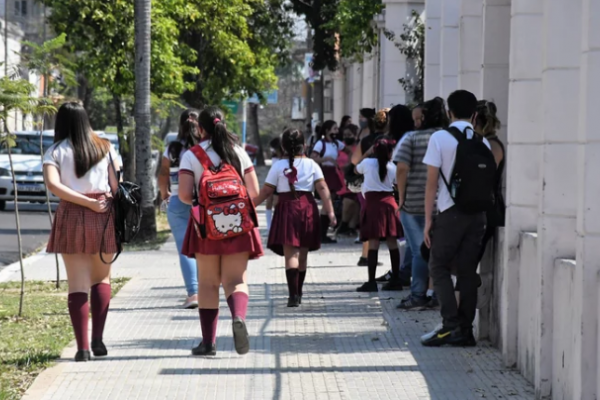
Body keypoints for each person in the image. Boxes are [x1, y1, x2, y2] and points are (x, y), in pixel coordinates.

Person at [178, 106, 263, 357]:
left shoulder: (191, 155)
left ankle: (208, 343)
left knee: (207, 283)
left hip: (206, 227)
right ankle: (238, 316)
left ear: (200, 129)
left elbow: (184, 195)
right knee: (236, 281)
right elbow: (254, 192)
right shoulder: (238, 152)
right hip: (238, 226)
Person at [43, 102, 120, 362]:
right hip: (104, 212)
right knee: (102, 279)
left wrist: (84, 202)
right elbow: (114, 186)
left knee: (77, 284)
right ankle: (98, 339)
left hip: (71, 215)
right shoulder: (106, 147)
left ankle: (83, 348)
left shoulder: (55, 151)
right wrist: (97, 200)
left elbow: (53, 185)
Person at [421, 90, 491, 347]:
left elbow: (431, 184)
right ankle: (466, 330)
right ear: (474, 115)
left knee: (437, 266)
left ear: (449, 112)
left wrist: (429, 220)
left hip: (451, 213)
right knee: (467, 271)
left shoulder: (440, 138)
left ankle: (449, 324)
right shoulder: (482, 142)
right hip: (478, 215)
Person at [254, 129, 336, 307]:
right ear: (305, 145)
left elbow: (267, 191)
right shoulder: (313, 165)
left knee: (290, 254)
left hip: (286, 209)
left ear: (283, 146)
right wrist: (330, 212)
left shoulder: (277, 166)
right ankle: (299, 292)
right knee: (303, 255)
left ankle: (293, 296)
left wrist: (249, 206)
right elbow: (322, 189)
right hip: (307, 208)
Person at [395, 97, 449, 310]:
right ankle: (437, 293)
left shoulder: (412, 138)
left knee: (419, 251)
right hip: (442, 204)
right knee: (438, 251)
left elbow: (401, 168)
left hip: (413, 204)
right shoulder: (447, 138)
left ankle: (417, 294)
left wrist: (401, 197)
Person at [158, 109, 200, 309]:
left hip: (177, 201)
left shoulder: (172, 148)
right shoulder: (205, 147)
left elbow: (163, 174)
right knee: (204, 248)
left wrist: (165, 194)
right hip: (203, 202)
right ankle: (207, 290)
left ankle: (193, 293)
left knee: (185, 249)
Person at [355, 137, 402, 292]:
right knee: (392, 242)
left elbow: (355, 169)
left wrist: (367, 153)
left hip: (373, 205)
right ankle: (396, 279)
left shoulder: (367, 163)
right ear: (390, 153)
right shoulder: (392, 167)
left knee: (373, 243)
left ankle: (371, 282)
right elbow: (397, 184)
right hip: (390, 205)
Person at [352, 109, 390, 266]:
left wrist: (367, 155)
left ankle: (365, 255)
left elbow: (355, 162)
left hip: (367, 186)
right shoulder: (393, 140)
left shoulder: (366, 140)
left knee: (369, 220)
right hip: (388, 186)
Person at [311, 120, 350, 244]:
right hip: (324, 172)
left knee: (329, 201)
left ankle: (323, 233)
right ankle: (322, 233)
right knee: (327, 201)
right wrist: (326, 159)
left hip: (333, 173)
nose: (336, 132)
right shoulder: (320, 143)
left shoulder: (336, 144)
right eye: (334, 129)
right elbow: (312, 158)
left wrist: (347, 164)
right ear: (327, 130)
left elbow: (350, 151)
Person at [336, 124, 361, 237]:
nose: (346, 137)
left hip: (354, 179)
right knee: (349, 202)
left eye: (349, 135)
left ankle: (349, 226)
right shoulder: (340, 147)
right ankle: (346, 226)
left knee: (353, 202)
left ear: (355, 135)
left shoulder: (359, 148)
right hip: (340, 179)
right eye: (345, 135)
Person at [265, 136, 283, 232]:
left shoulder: (284, 157)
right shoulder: (275, 157)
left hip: (280, 180)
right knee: (269, 201)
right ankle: (269, 226)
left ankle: (277, 225)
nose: (272, 151)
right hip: (272, 178)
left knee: (276, 203)